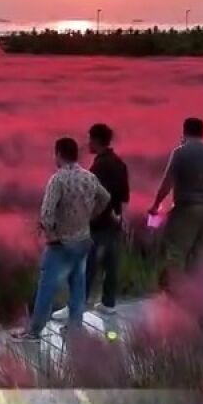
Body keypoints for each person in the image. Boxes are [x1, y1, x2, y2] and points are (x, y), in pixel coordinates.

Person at [12, 137, 110, 342]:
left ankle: (34, 331)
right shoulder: (89, 177)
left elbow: (47, 214)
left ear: (58, 154)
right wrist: (91, 215)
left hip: (62, 243)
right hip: (83, 239)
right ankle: (75, 327)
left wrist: (51, 234)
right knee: (77, 284)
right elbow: (105, 198)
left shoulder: (58, 180)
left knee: (47, 286)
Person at [52, 123, 129, 321]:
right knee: (111, 265)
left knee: (86, 267)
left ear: (96, 140)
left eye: (90, 139)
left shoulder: (99, 166)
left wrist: (90, 217)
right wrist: (119, 217)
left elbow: (95, 197)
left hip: (98, 225)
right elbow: (124, 196)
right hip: (115, 222)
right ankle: (108, 303)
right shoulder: (119, 163)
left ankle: (75, 307)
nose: (88, 143)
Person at [148, 117, 203, 289]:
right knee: (200, 250)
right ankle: (197, 289)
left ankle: (175, 291)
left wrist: (156, 204)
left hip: (187, 207)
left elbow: (168, 182)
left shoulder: (180, 152)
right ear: (202, 132)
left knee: (176, 250)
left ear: (185, 131)